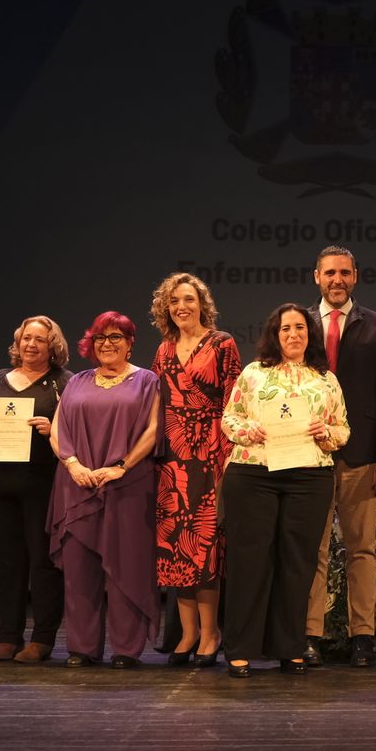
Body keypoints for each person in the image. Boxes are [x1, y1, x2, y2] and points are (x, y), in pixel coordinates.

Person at [220, 304, 349, 677]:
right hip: (254, 472)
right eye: (285, 328)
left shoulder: (326, 380)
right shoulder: (254, 373)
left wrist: (326, 434)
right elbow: (230, 417)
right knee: (251, 562)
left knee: (298, 563)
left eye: (300, 328)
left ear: (310, 334)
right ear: (275, 335)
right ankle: (240, 648)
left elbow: (342, 429)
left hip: (309, 477)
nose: (293, 334)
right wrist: (248, 431)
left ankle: (290, 646)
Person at [304, 245, 376, 667]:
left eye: (344, 273)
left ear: (356, 276)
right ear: (317, 277)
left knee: (362, 549)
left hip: (362, 455)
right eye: (330, 273)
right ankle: (310, 634)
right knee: (314, 549)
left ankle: (361, 635)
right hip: (308, 456)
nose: (337, 280)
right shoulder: (299, 324)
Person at [47, 312, 160, 668]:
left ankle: (126, 649)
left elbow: (155, 430)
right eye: (100, 338)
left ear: (130, 343)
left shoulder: (148, 381)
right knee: (80, 571)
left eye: (116, 337)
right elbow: (56, 429)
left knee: (127, 566)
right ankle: (82, 647)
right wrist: (73, 464)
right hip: (77, 483)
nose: (107, 344)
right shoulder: (77, 381)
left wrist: (120, 467)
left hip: (127, 484)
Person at [0, 315, 72, 663]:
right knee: (8, 564)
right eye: (26, 338)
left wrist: (52, 428)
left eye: (40, 339)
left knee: (43, 563)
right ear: (18, 342)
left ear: (52, 346)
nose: (31, 345)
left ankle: (42, 639)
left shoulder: (64, 384)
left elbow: (78, 431)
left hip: (42, 487)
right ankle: (9, 636)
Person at [149, 272, 241, 668]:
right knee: (175, 549)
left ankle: (210, 633)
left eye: (188, 299)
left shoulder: (222, 344)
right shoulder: (164, 349)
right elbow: (156, 404)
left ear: (202, 303)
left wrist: (226, 458)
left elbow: (235, 402)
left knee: (204, 550)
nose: (181, 307)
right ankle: (186, 634)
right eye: (174, 302)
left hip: (209, 453)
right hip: (173, 458)